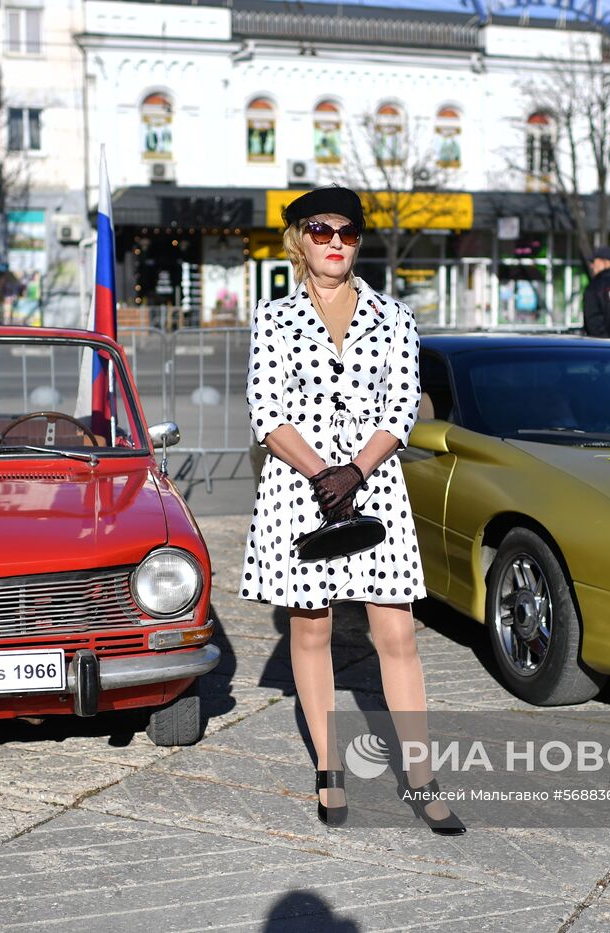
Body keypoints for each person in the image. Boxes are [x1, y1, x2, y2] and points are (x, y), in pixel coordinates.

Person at [240, 185, 464, 835]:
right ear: (298, 240)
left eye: (347, 231)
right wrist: (319, 472)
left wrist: (355, 470)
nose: (335, 241)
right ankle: (330, 768)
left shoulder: (394, 317)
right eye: (320, 229)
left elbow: (401, 407)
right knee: (309, 630)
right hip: (298, 488)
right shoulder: (274, 318)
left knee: (396, 634)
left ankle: (420, 778)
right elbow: (266, 411)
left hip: (374, 487)